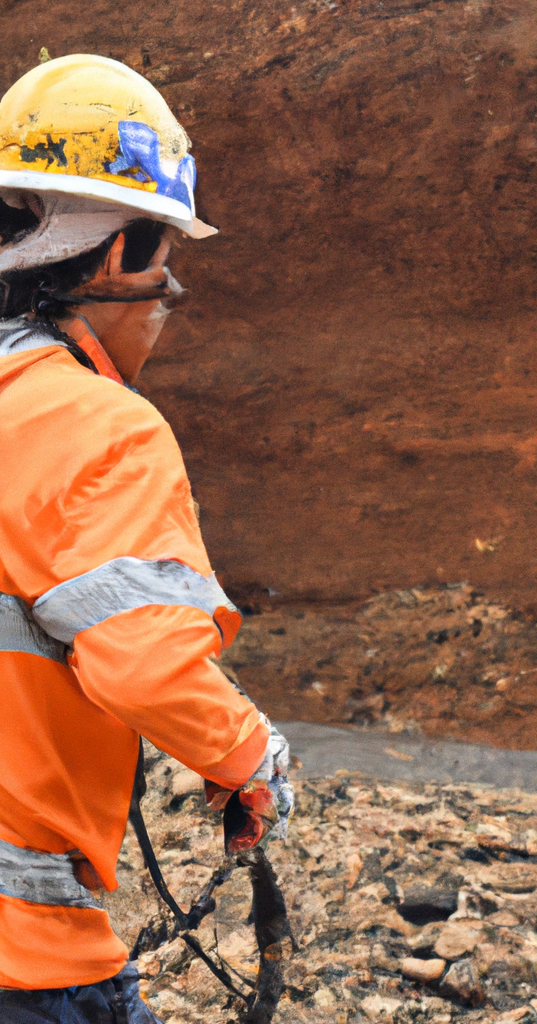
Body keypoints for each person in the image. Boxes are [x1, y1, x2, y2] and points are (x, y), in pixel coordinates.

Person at [0, 54, 292, 1021]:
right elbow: (146, 664)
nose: (164, 305)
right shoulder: (98, 424)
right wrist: (248, 756)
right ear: (120, 253)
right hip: (25, 957)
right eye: (164, 272)